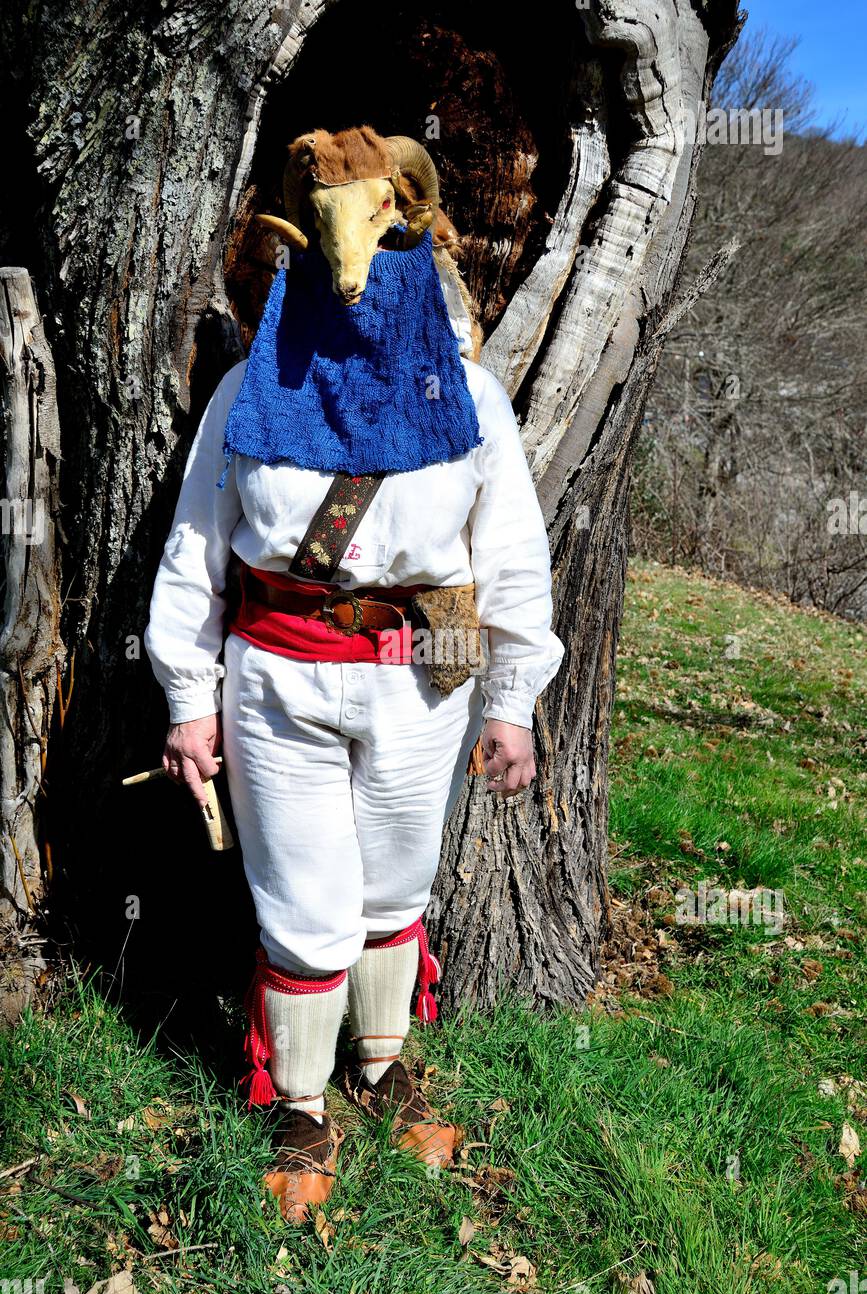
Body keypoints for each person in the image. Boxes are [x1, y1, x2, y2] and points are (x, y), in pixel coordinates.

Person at [144, 127, 564, 1223]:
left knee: (395, 889)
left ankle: (377, 1076)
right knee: (302, 904)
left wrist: (512, 700)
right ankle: (297, 1105)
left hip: (427, 673)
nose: (360, 276)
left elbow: (510, 556)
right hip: (277, 676)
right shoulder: (254, 386)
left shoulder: (467, 395)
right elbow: (196, 546)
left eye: (383, 250)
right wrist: (190, 698)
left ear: (416, 249)